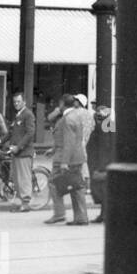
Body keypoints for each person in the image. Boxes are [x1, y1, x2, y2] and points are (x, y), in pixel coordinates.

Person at [45, 95, 89, 227]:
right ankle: (81, 217)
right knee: (76, 186)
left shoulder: (67, 119)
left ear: (62, 103)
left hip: (65, 158)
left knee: (53, 182)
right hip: (77, 157)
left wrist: (64, 162)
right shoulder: (76, 116)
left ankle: (59, 213)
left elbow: (68, 142)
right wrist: (53, 149)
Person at [5, 91, 36, 212]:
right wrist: (0, 142)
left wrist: (19, 146)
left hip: (23, 152)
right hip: (16, 152)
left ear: (24, 102)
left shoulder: (28, 114)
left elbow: (30, 133)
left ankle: (26, 203)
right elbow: (11, 132)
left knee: (23, 178)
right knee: (17, 179)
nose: (16, 104)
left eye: (18, 101)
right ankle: (22, 202)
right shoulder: (18, 115)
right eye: (14, 102)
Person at [87, 102, 116, 224]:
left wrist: (101, 166)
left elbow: (104, 147)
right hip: (100, 162)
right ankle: (104, 214)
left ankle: (105, 215)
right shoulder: (107, 125)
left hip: (100, 163)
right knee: (102, 189)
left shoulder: (105, 126)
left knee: (102, 190)